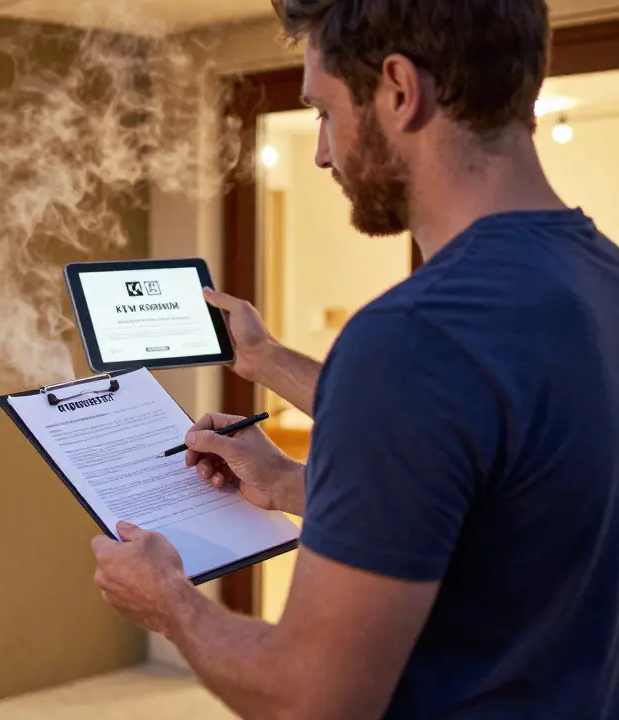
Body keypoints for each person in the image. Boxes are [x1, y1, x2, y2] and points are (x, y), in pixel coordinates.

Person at [90, 1, 619, 718]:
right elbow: (503, 491)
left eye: (324, 110)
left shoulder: (408, 339)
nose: (322, 152)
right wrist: (285, 471)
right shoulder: (598, 276)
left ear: (400, 90)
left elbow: (311, 699)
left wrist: (171, 601)